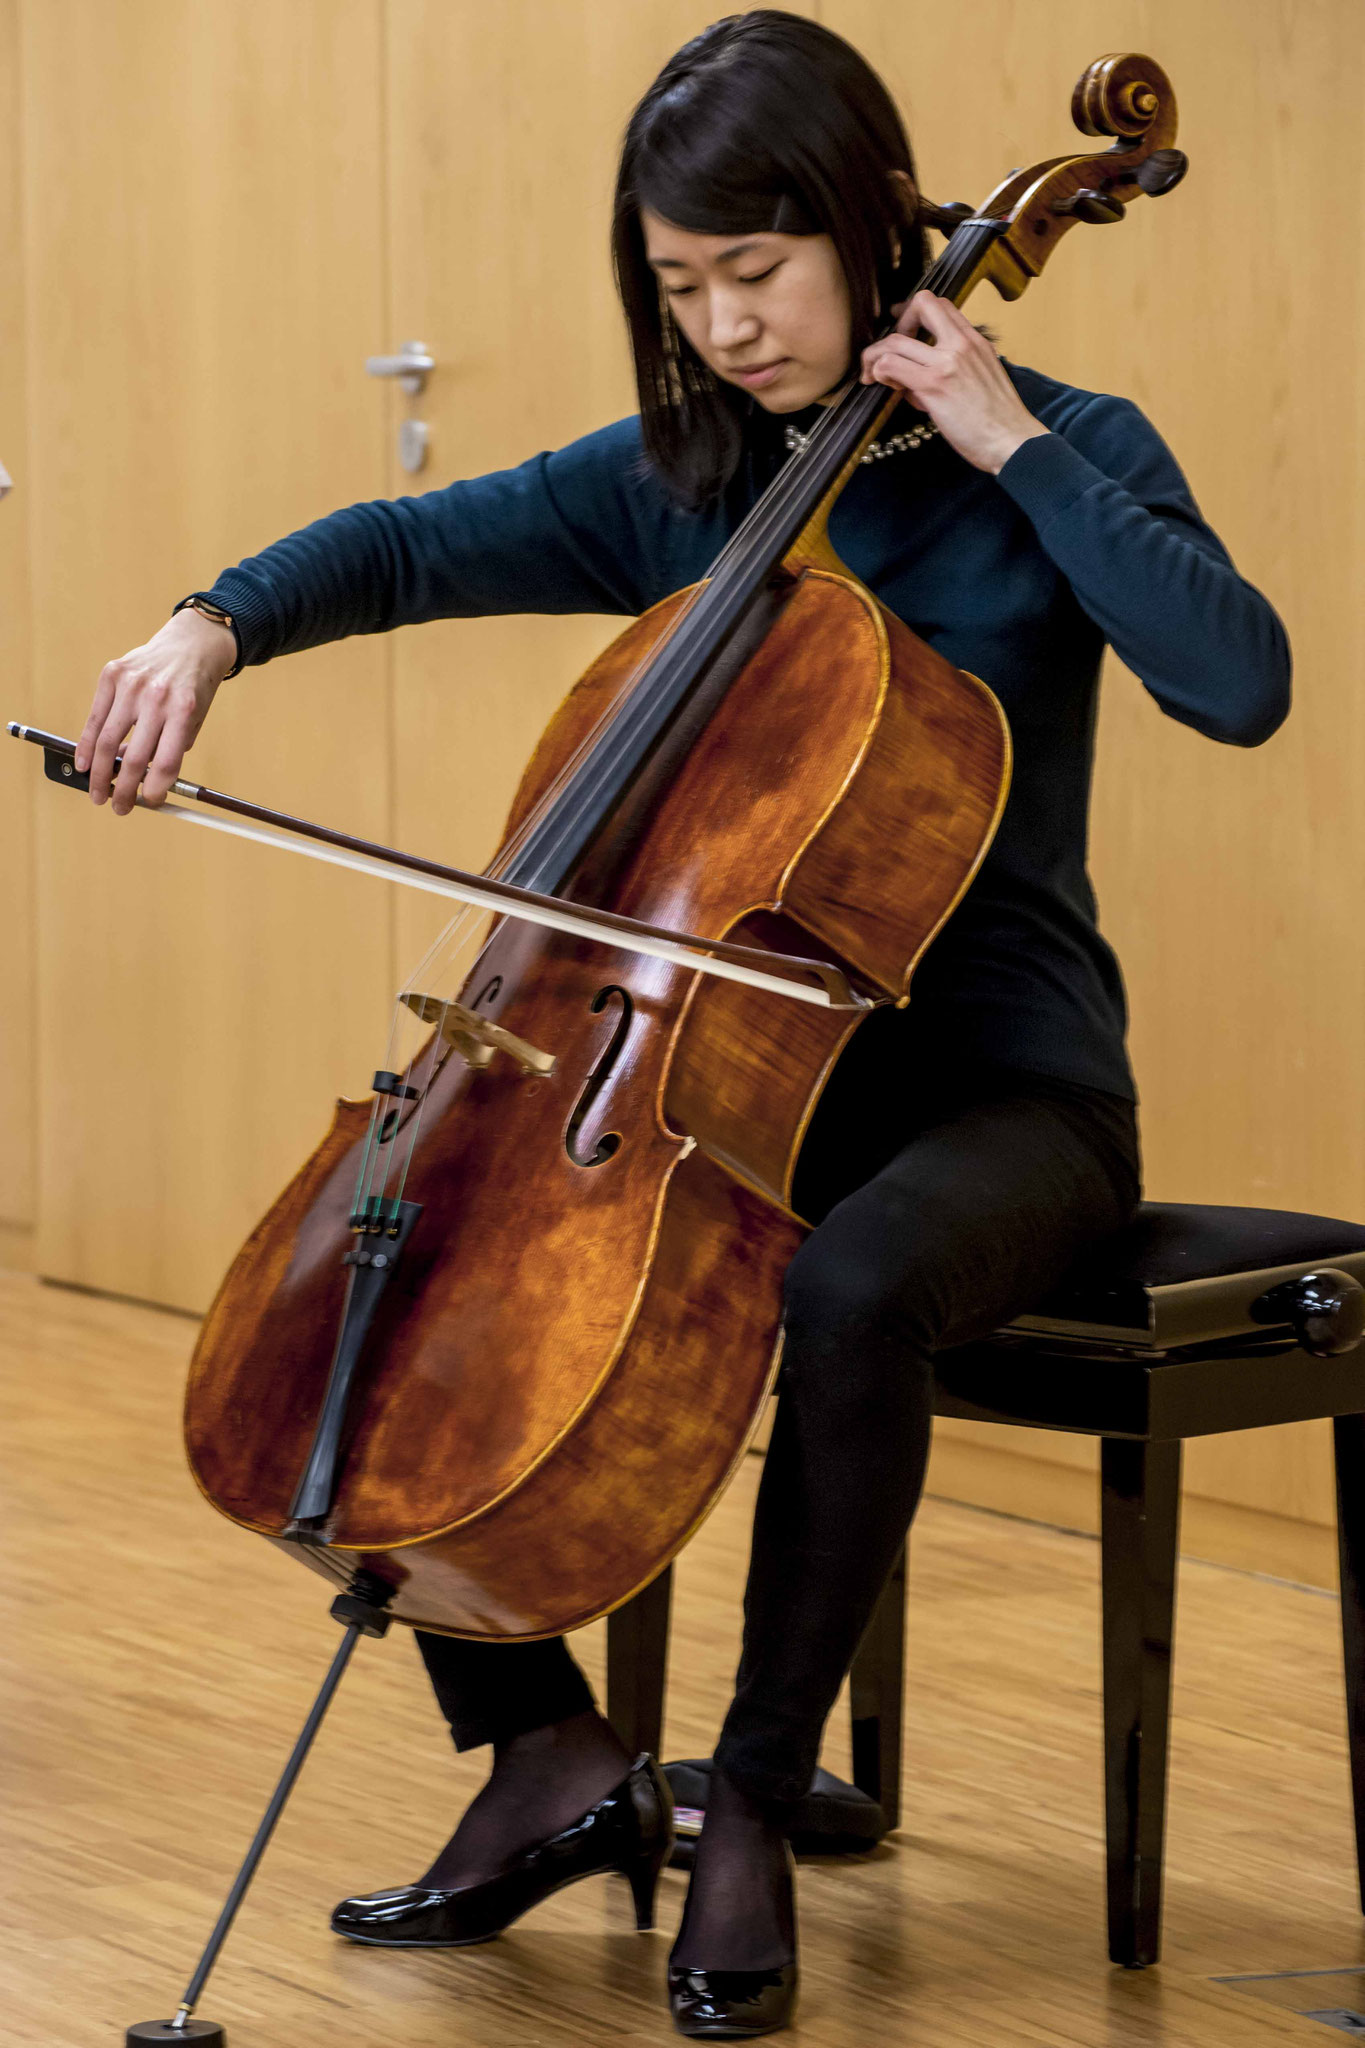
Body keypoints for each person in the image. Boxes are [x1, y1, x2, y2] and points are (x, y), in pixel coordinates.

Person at [75, 11, 1290, 2038]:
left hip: (1008, 1100)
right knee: (427, 1258)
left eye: (755, 273)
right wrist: (204, 626)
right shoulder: (690, 481)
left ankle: (741, 1787)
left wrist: (1005, 439)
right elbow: (406, 542)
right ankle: (547, 1753)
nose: (721, 327)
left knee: (850, 1291)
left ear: (865, 222)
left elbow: (1232, 675)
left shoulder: (1058, 445)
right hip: (714, 1088)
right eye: (677, 289)